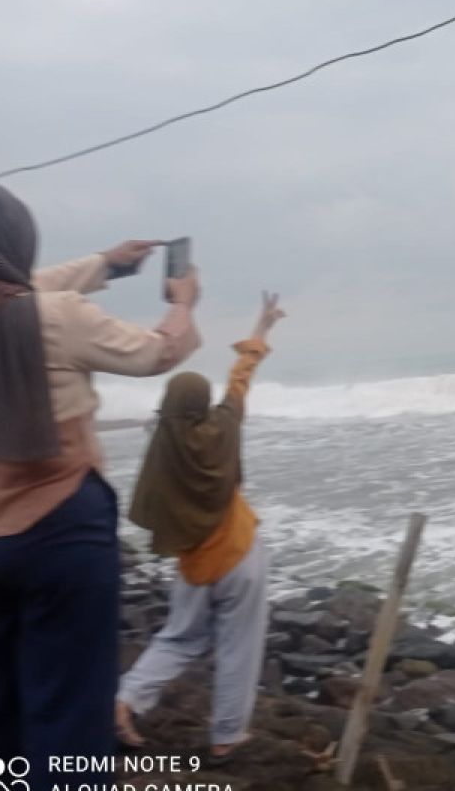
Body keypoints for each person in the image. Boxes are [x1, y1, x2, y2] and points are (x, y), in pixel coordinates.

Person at [0, 176, 201, 791]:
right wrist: (183, 303)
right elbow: (156, 355)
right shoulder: (54, 319)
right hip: (58, 534)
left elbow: (15, 295)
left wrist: (106, 264)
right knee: (70, 712)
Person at [116, 291, 285, 763]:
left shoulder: (161, 443)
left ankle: (125, 700)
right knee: (239, 645)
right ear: (202, 403)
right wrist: (263, 326)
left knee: (178, 637)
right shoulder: (224, 426)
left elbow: (161, 431)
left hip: (193, 563)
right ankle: (227, 734)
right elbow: (240, 378)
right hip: (240, 554)